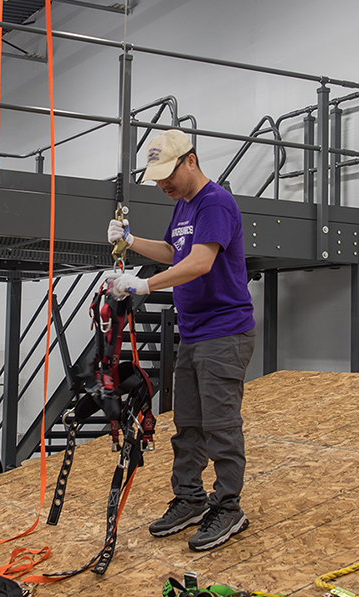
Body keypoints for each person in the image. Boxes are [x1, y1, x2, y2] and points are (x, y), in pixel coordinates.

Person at [106, 129, 256, 552]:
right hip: (194, 333)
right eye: (157, 179)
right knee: (187, 425)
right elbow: (177, 252)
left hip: (224, 332)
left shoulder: (215, 202)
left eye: (168, 175)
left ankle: (228, 507)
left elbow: (201, 262)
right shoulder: (185, 205)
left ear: (190, 160)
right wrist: (131, 242)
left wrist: (144, 285)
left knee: (220, 426)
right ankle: (189, 498)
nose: (163, 185)